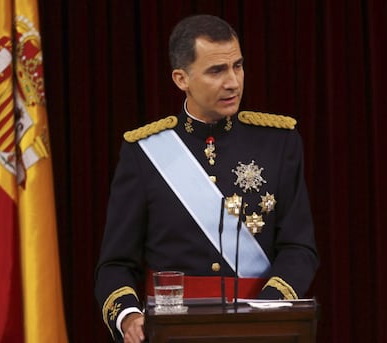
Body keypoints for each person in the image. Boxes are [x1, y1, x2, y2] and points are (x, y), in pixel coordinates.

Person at [95, 14, 318, 343]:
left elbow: (299, 248)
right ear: (181, 78)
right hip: (175, 332)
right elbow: (115, 264)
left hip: (261, 331)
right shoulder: (144, 152)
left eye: (238, 66)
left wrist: (266, 309)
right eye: (216, 71)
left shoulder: (279, 142)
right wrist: (129, 317)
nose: (233, 82)